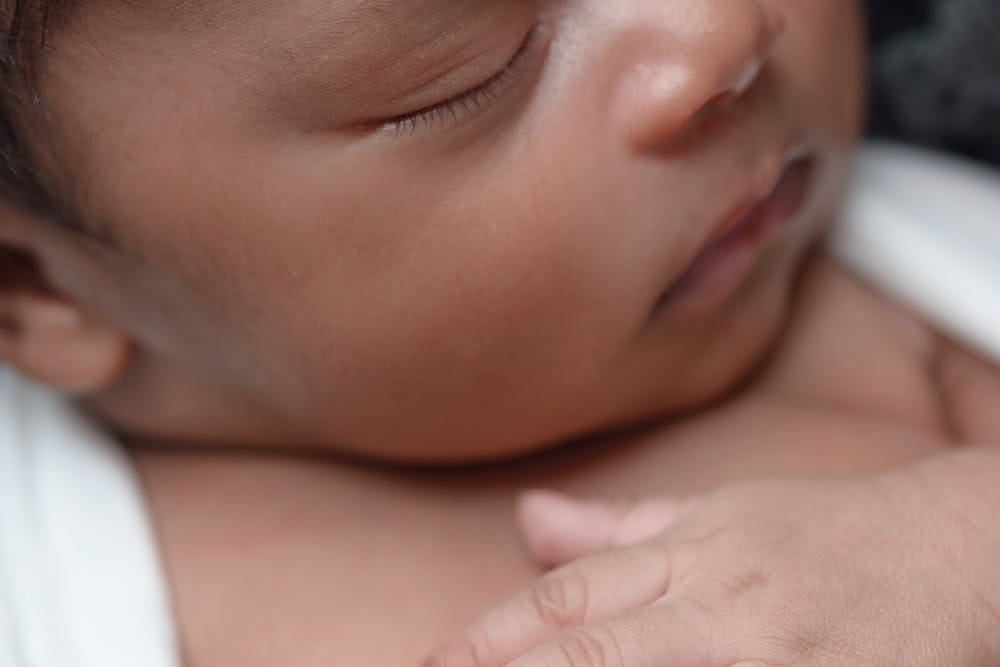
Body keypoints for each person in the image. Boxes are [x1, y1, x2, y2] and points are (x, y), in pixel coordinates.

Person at [0, 1, 998, 665]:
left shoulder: (892, 300)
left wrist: (966, 562)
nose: (721, 30)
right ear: (37, 286)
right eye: (472, 75)